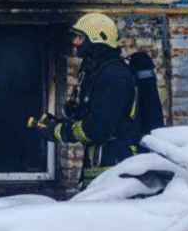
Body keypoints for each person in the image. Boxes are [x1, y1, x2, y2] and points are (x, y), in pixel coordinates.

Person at [28, 12, 139, 188]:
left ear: (97, 40)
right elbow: (91, 118)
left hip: (117, 168)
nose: (74, 43)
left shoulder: (114, 75)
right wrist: (61, 123)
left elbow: (98, 128)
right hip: (102, 165)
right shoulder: (97, 71)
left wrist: (58, 131)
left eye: (80, 39)